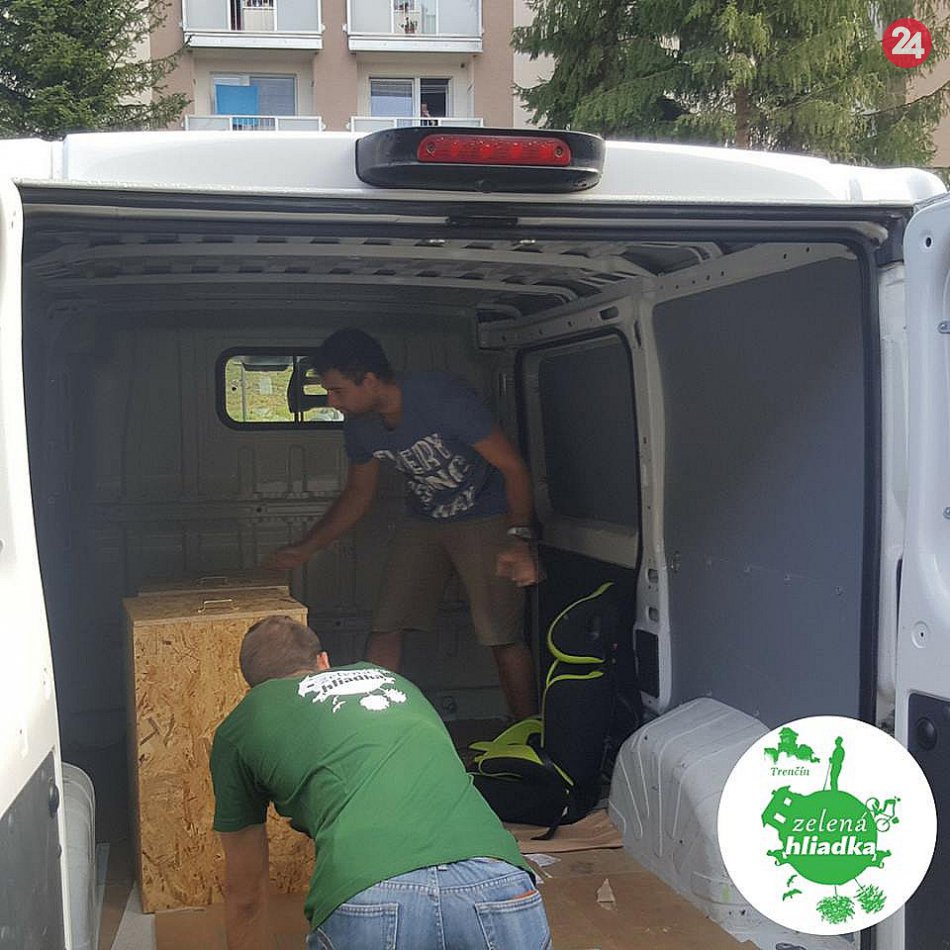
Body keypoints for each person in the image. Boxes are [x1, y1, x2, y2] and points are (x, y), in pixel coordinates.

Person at [210, 615, 551, 950]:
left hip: (372, 894)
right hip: (497, 880)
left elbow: (246, 896)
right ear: (324, 662)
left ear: (253, 688)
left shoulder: (245, 721)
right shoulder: (394, 681)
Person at [268, 327, 541, 720]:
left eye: (338, 390)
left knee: (501, 636)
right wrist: (306, 548)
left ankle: (528, 732)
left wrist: (519, 538)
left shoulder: (443, 399)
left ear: (370, 380)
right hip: (424, 521)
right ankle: (375, 728)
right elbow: (358, 494)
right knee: (387, 625)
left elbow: (513, 467)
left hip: (486, 516)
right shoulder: (360, 426)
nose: (332, 401)